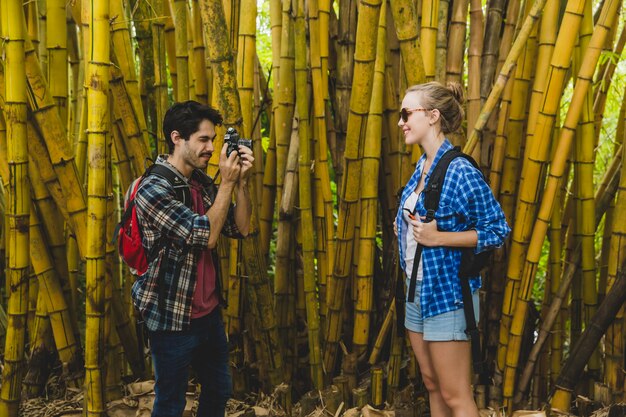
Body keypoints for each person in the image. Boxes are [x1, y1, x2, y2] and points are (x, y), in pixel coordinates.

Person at [394, 82, 510, 417]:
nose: (401, 122)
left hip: (448, 295)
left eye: (406, 114)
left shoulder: (459, 170)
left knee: (455, 393)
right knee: (432, 384)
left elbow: (497, 229)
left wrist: (439, 237)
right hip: (416, 291)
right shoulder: (422, 166)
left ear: (432, 116)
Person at [131, 100, 253, 417]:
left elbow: (240, 228)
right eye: (203, 139)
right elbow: (206, 237)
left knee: (218, 391)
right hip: (172, 318)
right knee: (171, 403)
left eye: (214, 140)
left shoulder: (199, 181)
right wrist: (225, 183)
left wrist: (239, 183)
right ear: (177, 138)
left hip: (209, 314)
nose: (211, 148)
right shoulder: (153, 188)